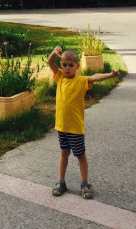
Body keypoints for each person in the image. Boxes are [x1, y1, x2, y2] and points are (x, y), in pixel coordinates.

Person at [48, 46, 119, 200]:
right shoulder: (60, 78)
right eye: (64, 65)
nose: (67, 68)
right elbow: (51, 63)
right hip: (62, 127)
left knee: (80, 156)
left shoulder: (80, 81)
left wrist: (110, 75)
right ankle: (61, 182)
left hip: (75, 128)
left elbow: (95, 76)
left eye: (71, 65)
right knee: (64, 153)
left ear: (77, 66)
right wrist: (53, 53)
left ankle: (85, 184)